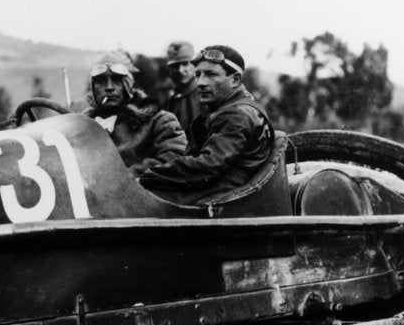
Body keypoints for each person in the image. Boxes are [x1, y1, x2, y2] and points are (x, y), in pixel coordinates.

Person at [139, 45, 273, 203]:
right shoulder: (237, 108)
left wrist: (148, 176)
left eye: (211, 75)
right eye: (198, 75)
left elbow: (207, 167)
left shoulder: (237, 115)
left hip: (223, 197)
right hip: (219, 190)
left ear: (235, 80)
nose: (200, 83)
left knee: (140, 199)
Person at [79, 51, 187, 178]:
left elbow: (174, 157)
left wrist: (127, 177)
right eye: (101, 81)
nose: (109, 87)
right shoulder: (83, 126)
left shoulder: (159, 121)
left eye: (117, 80)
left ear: (129, 85)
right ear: (93, 88)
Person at [163, 40, 201, 134]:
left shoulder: (205, 95)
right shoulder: (169, 97)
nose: (180, 70)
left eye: (185, 64)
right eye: (175, 66)